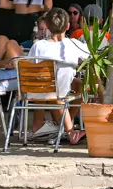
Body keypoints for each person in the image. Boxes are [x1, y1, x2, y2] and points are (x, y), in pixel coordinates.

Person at [25, 8, 87, 144]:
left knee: (51, 83)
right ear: (68, 26)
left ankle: (55, 126)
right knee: (80, 86)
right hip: (59, 93)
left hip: (37, 91)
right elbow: (90, 57)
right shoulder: (73, 45)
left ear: (46, 25)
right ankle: (68, 130)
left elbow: (31, 66)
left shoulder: (37, 46)